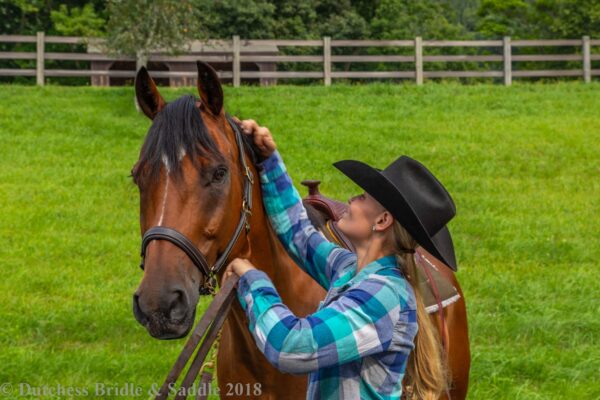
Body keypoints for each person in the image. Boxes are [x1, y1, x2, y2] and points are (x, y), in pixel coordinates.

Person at [222, 119, 455, 399]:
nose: (351, 199)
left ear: (381, 220)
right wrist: (269, 161)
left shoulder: (384, 295)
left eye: (362, 197)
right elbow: (300, 235)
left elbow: (291, 346)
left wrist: (253, 281)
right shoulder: (349, 269)